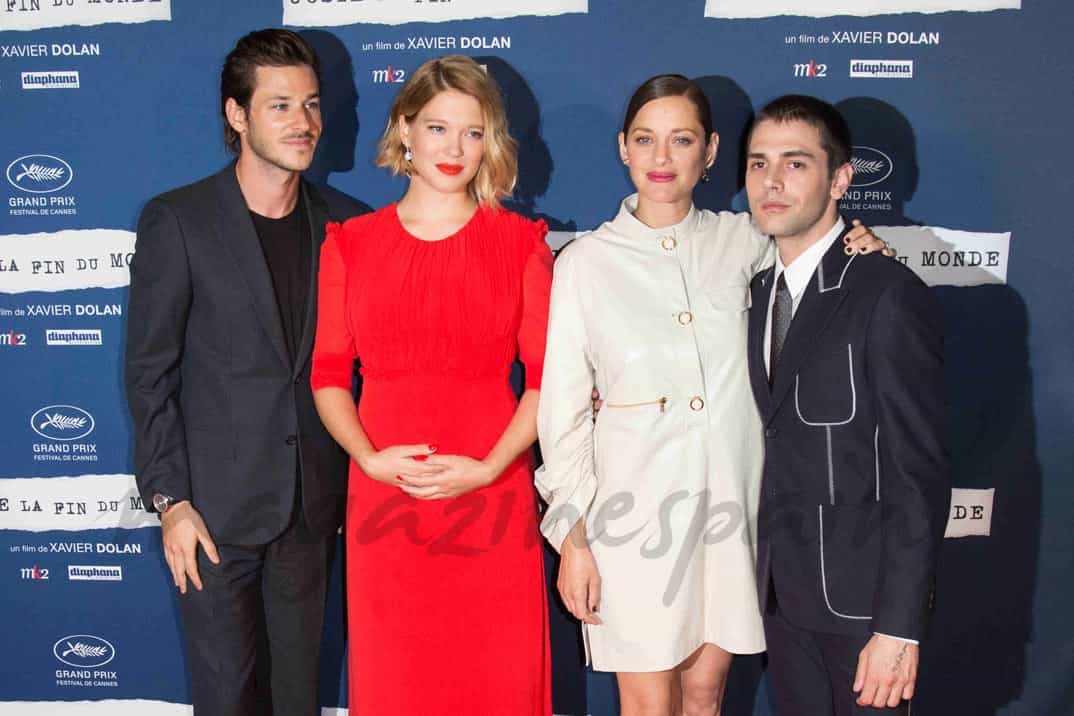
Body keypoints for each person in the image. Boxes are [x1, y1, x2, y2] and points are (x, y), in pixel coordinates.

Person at [535, 75, 890, 716]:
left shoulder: (749, 239)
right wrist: (574, 538)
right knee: (647, 703)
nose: (662, 158)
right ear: (622, 148)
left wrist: (861, 249)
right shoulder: (584, 263)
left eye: (681, 140)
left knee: (706, 695)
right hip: (630, 520)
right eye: (645, 139)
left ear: (710, 150)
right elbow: (560, 412)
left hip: (731, 510)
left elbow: (818, 263)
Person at [124, 29, 367, 715]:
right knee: (227, 698)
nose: (304, 123)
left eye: (312, 105)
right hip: (213, 518)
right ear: (237, 115)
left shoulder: (347, 225)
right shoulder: (180, 221)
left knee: (297, 699)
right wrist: (170, 503)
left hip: (310, 512)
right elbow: (150, 373)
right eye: (281, 105)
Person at [309, 55, 552, 715]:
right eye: (438, 127)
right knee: (399, 682)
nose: (454, 148)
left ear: (491, 143)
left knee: (495, 679)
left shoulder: (522, 243)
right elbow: (328, 376)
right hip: (388, 495)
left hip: (492, 493)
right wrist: (367, 458)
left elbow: (545, 382)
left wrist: (491, 468)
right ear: (405, 130)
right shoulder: (351, 245)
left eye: (473, 133)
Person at [743, 94, 949, 715]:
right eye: (758, 163)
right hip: (778, 597)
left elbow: (921, 474)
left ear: (840, 179)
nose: (772, 182)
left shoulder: (886, 294)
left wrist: (899, 628)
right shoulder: (753, 291)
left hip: (864, 611)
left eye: (796, 164)